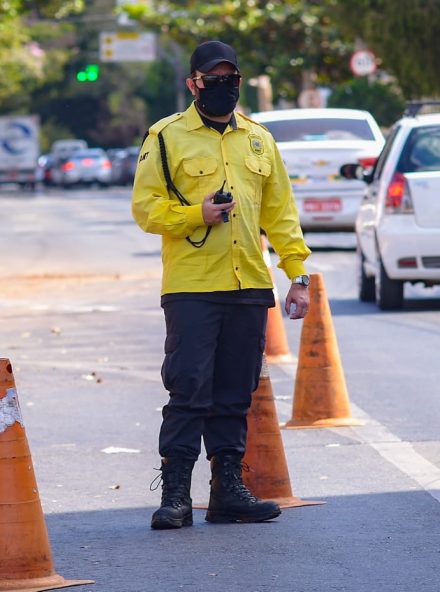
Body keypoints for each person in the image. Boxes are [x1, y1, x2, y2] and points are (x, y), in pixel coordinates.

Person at [132, 40, 311, 530]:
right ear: (194, 84)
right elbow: (145, 208)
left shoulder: (258, 139)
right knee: (189, 388)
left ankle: (228, 489)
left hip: (249, 282)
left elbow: (281, 215)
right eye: (214, 79)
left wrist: (298, 276)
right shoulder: (165, 137)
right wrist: (198, 213)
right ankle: (175, 497)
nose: (224, 87)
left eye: (231, 78)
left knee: (236, 392)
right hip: (192, 285)